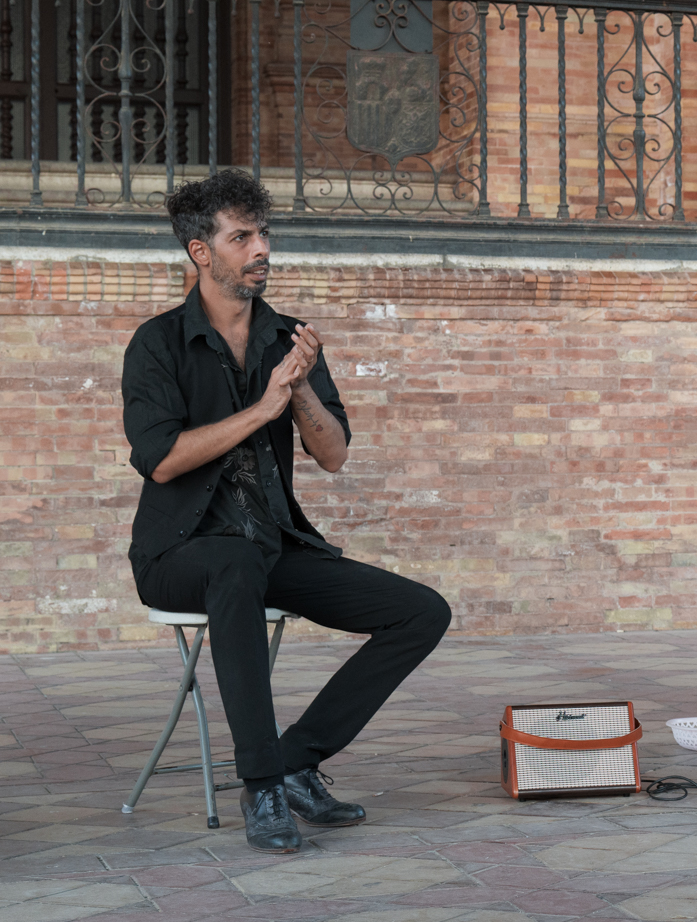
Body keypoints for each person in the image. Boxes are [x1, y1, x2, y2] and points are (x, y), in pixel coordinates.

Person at [122, 170, 451, 854]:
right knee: (234, 563)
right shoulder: (156, 345)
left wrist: (297, 391)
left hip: (270, 544)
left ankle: (299, 757)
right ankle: (261, 785)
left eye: (263, 233)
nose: (261, 248)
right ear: (201, 252)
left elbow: (332, 455)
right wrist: (261, 409)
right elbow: (162, 460)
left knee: (420, 612)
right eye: (242, 236)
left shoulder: (290, 338)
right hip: (177, 553)